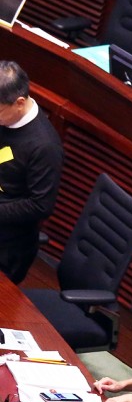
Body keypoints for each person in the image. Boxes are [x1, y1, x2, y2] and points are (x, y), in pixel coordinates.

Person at [0, 60, 63, 284]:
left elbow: (40, 205)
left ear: (19, 102)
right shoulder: (5, 118)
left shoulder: (44, 146)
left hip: (8, 246)